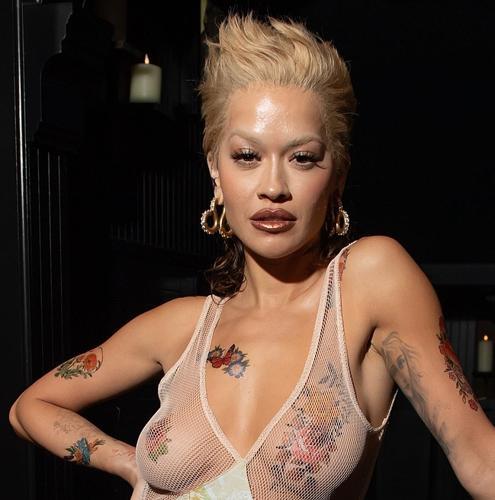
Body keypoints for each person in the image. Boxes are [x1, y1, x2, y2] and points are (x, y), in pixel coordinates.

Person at [9, 12, 495, 500]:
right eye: (247, 157)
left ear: (337, 176)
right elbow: (31, 406)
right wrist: (130, 466)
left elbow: (481, 460)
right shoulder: (180, 328)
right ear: (216, 172)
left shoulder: (368, 284)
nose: (273, 187)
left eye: (302, 158)